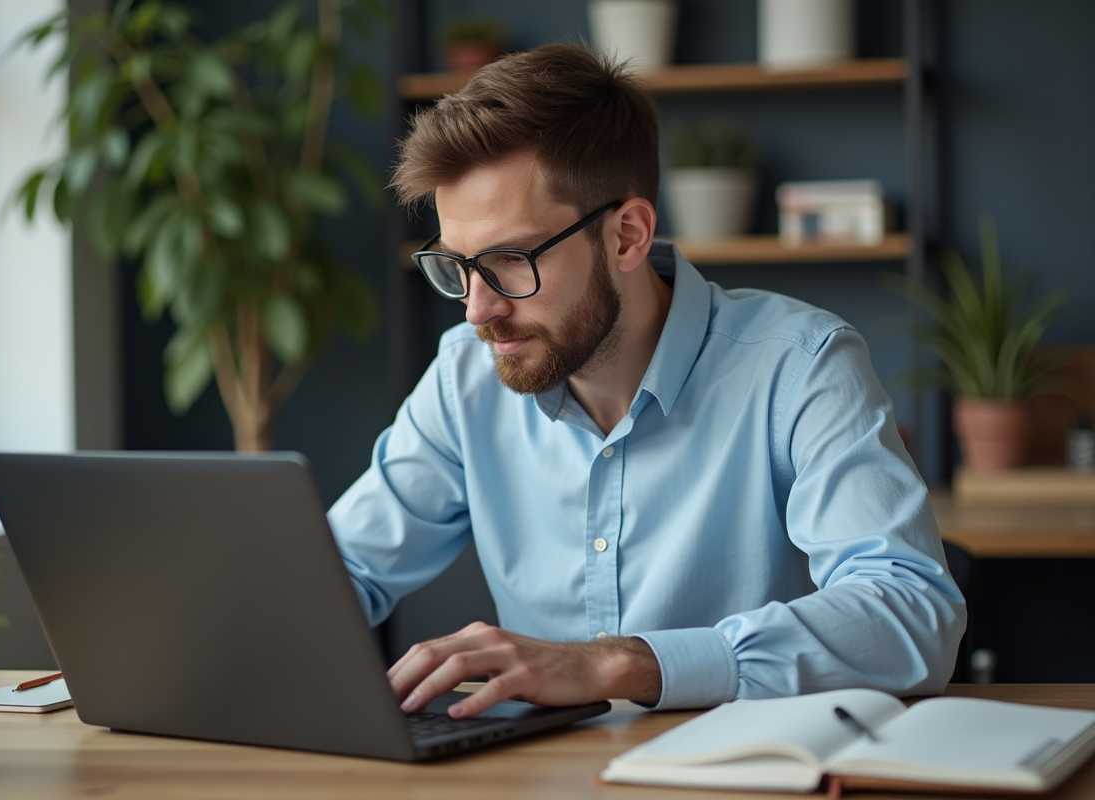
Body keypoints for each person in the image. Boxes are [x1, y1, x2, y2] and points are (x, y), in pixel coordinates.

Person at [326, 43, 965, 720]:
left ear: (627, 235)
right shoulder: (464, 377)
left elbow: (912, 615)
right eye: (456, 266)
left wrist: (623, 663)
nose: (477, 309)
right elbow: (338, 574)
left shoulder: (800, 365)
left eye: (511, 260)